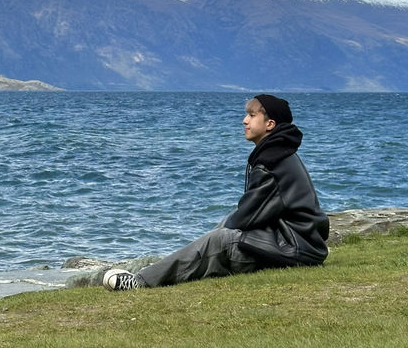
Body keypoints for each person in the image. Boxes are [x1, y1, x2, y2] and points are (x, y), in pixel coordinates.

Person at [103, 94, 329, 291]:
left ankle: (141, 282)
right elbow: (256, 213)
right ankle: (159, 271)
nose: (244, 120)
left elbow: (246, 217)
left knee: (221, 238)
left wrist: (219, 235)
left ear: (269, 124)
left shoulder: (272, 161)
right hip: (299, 245)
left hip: (294, 250)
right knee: (224, 227)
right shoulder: (281, 154)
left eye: (251, 116)